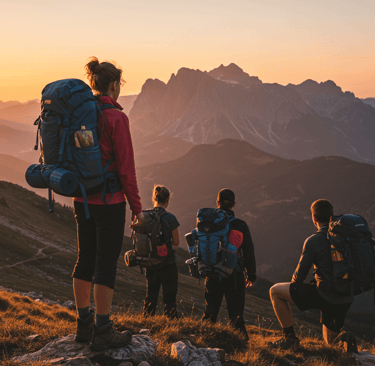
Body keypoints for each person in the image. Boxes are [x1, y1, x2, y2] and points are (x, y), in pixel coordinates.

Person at [72, 57, 144, 351]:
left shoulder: (79, 113)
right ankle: (103, 329)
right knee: (105, 264)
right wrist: (137, 208)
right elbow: (126, 168)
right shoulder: (117, 118)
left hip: (80, 198)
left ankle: (83, 324)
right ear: (114, 85)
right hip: (110, 202)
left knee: (85, 257)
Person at [269, 199, 356, 351]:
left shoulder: (313, 240)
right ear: (332, 215)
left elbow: (299, 276)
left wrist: (295, 290)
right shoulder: (346, 237)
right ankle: (345, 338)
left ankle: (290, 339)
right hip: (345, 296)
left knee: (275, 291)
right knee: (330, 345)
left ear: (314, 217)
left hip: (324, 295)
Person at [201, 188, 256, 341]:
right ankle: (241, 347)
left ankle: (204, 342)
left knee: (210, 312)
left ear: (217, 203)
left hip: (212, 271)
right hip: (234, 273)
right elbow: (249, 252)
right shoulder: (240, 224)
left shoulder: (207, 222)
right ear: (234, 204)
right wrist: (251, 275)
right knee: (236, 314)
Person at [143, 185, 180, 318]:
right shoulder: (170, 218)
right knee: (169, 297)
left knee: (151, 295)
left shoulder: (146, 215)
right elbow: (176, 242)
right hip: (167, 262)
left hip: (150, 261)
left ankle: (146, 320)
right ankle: (170, 323)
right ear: (168, 199)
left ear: (154, 198)